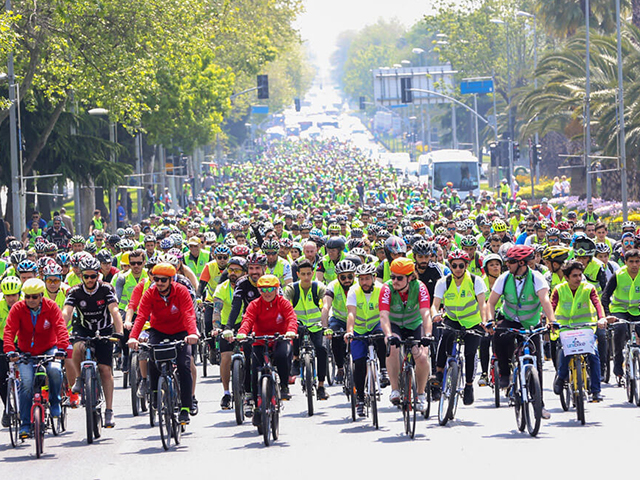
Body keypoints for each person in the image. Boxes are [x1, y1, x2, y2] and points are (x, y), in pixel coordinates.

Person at [487, 245, 555, 419]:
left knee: (536, 362)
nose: (506, 265)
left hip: (530, 323)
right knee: (500, 337)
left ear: (522, 263)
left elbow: (545, 300)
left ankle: (540, 405)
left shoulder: (536, 278)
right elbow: (491, 303)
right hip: (510, 318)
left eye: (510, 262)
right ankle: (504, 373)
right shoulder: (504, 278)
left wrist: (551, 321)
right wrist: (490, 320)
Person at [128, 263, 199, 426]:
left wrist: (192, 333)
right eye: (156, 279)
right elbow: (141, 317)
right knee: (152, 358)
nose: (158, 283)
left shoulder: (181, 291)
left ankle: (186, 408)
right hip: (158, 331)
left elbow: (189, 313)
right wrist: (133, 337)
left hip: (181, 331)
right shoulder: (150, 293)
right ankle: (154, 393)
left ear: (171, 280)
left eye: (163, 280)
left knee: (183, 365)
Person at [62, 256, 124, 429]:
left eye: (93, 276)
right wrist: (60, 332)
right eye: (86, 276)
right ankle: (80, 379)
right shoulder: (74, 292)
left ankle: (109, 411)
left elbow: (115, 311)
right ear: (81, 276)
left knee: (105, 370)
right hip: (83, 328)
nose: (90, 280)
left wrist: (119, 332)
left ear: (98, 275)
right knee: (77, 347)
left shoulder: (106, 289)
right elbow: (66, 313)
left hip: (103, 330)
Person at [3, 278, 69, 439]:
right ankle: (25, 424)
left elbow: (60, 327)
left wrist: (62, 348)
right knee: (25, 382)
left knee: (54, 370)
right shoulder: (18, 308)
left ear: (41, 296)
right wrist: (10, 350)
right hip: (25, 352)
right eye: (27, 297)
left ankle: (55, 402)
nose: (30, 300)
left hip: (49, 348)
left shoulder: (51, 306)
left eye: (34, 297)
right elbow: (9, 330)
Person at [235, 274, 297, 426]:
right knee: (255, 369)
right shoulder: (255, 304)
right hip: (260, 340)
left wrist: (291, 331)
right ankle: (257, 407)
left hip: (280, 338)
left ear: (277, 290)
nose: (267, 293)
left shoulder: (283, 303)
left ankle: (283, 386)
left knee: (282, 356)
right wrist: (243, 332)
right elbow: (248, 319)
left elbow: (291, 318)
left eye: (270, 289)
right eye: (263, 290)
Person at [431, 250, 487, 406]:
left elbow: (483, 304)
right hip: (452, 319)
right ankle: (439, 373)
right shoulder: (443, 282)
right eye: (454, 265)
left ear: (466, 265)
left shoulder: (476, 281)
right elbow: (435, 305)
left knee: (470, 353)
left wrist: (484, 321)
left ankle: (468, 386)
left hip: (473, 322)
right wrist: (435, 315)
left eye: (461, 265)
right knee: (444, 339)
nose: (457, 269)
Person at [380, 257, 432, 411]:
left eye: (399, 278)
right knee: (393, 349)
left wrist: (428, 334)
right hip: (394, 325)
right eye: (392, 277)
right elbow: (383, 316)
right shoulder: (387, 288)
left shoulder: (420, 287)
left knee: (422, 357)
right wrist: (389, 335)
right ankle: (395, 389)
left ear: (410, 277)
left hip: (414, 325)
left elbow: (426, 313)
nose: (395, 281)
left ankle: (421, 394)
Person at [550, 260, 606, 402]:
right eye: (574, 276)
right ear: (567, 277)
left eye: (580, 275)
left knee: (593, 355)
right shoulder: (559, 289)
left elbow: (597, 304)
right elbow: (551, 306)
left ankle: (596, 391)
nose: (578, 279)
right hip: (565, 329)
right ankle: (561, 378)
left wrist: (602, 319)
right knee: (564, 352)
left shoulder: (589, 288)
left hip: (586, 328)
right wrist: (550, 322)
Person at [344, 263, 387, 417]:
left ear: (374, 278)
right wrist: (349, 332)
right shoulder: (353, 291)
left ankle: (383, 370)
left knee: (382, 337)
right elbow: (351, 314)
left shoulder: (381, 289)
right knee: (359, 364)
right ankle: (360, 400)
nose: (364, 282)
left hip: (377, 324)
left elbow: (384, 312)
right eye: (361, 279)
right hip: (359, 329)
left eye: (367, 279)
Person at [284, 259, 330, 400]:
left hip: (316, 325)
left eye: (309, 274)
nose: (306, 277)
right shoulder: (292, 288)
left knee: (322, 350)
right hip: (298, 324)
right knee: (292, 340)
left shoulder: (319, 287)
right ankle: (296, 359)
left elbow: (326, 306)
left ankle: (321, 386)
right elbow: (286, 306)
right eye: (302, 274)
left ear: (312, 273)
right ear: (297, 274)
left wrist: (325, 325)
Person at [213, 257, 249, 410]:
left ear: (244, 272)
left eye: (237, 270)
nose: (233, 273)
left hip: (246, 324)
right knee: (225, 357)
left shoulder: (249, 285)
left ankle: (250, 391)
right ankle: (227, 392)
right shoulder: (222, 287)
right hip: (227, 325)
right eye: (231, 270)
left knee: (250, 355)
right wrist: (216, 327)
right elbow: (216, 309)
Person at [601, 248, 640, 385]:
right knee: (620, 330)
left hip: (637, 310)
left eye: (637, 261)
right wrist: (607, 315)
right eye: (631, 262)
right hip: (619, 310)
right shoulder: (618, 275)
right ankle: (618, 366)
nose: (634, 265)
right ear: (625, 262)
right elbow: (605, 296)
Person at [321, 258, 358, 384]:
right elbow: (326, 307)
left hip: (357, 319)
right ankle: (340, 368)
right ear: (337, 277)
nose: (347, 280)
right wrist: (326, 329)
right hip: (339, 318)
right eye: (343, 277)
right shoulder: (332, 286)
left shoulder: (359, 285)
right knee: (335, 337)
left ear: (354, 275)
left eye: (350, 276)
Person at [0, 276, 22, 428]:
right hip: (3, 341)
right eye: (8, 296)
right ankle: (8, 407)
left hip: (22, 341)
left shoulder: (25, 305)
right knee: (1, 377)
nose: (11, 299)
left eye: (14, 295)